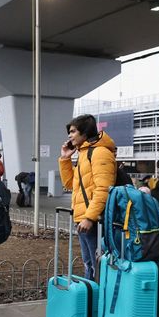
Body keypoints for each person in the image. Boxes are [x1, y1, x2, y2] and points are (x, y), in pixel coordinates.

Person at [59, 114, 117, 281]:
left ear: (84, 132)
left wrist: (90, 218)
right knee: (89, 264)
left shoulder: (99, 153)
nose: (69, 136)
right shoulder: (85, 153)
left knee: (97, 266)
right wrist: (65, 159)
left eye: (73, 131)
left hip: (93, 221)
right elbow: (71, 184)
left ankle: (98, 303)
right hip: (84, 219)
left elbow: (103, 189)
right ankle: (91, 303)